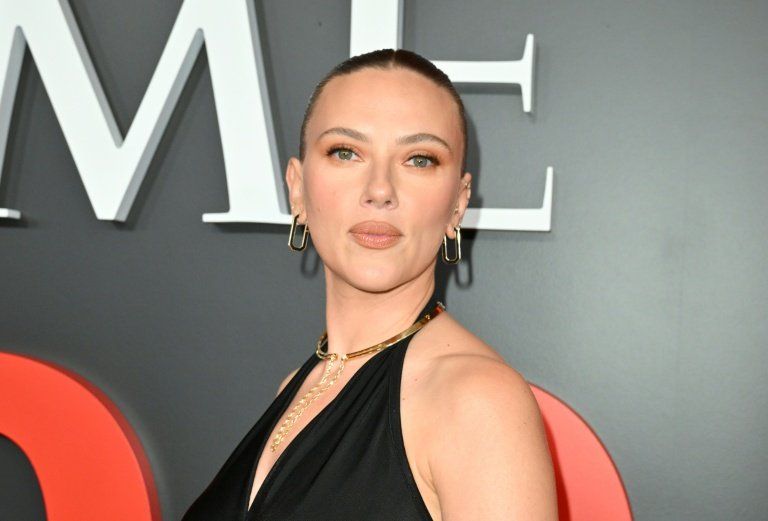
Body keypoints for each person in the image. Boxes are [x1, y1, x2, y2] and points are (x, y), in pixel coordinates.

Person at [182, 48, 557, 520]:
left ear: (458, 204)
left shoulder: (478, 400)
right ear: (297, 188)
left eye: (418, 159)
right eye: (346, 152)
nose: (380, 190)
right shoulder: (298, 387)